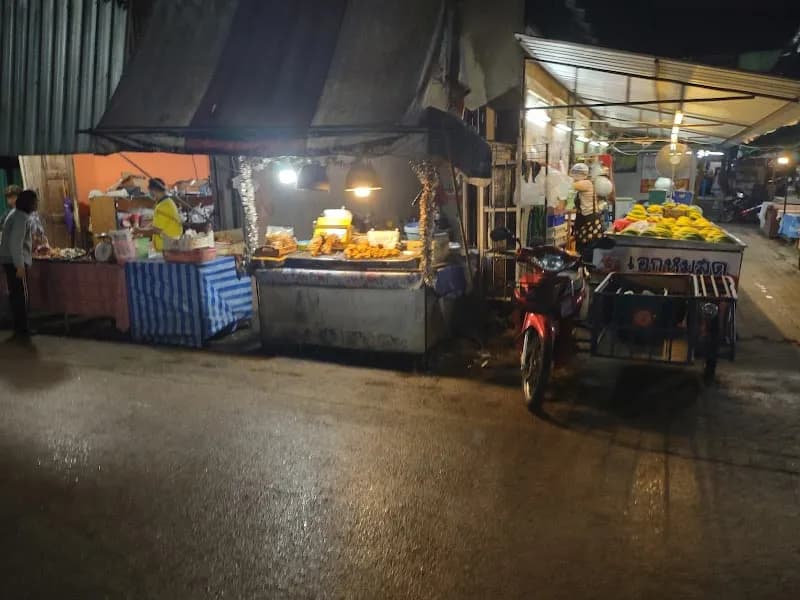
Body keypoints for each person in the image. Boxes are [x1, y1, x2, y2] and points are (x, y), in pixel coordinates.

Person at [0, 189, 38, 340]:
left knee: (16, 295)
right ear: (28, 202)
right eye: (35, 201)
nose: (37, 204)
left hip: (9, 260)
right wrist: (20, 266)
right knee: (20, 296)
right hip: (14, 261)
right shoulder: (21, 218)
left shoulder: (15, 214)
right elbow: (16, 244)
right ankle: (22, 329)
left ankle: (19, 328)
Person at [139, 177, 183, 251]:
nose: (149, 194)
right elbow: (158, 224)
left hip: (167, 247)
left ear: (154, 191)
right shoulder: (168, 202)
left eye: (149, 191)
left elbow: (156, 229)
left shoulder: (163, 206)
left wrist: (140, 231)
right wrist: (146, 227)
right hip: (169, 246)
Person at [569, 163, 602, 253]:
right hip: (584, 220)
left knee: (588, 251)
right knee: (582, 250)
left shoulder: (586, 183)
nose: (574, 177)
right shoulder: (585, 184)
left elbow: (569, 185)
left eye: (575, 175)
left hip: (590, 222)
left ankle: (586, 266)